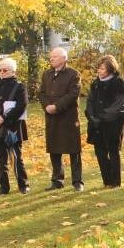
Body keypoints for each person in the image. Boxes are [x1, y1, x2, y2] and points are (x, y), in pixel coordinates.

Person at [39, 47, 84, 192]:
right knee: (54, 149)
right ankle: (57, 180)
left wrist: (57, 106)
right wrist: (47, 106)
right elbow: (41, 93)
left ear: (64, 58)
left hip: (68, 117)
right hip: (52, 118)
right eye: (51, 57)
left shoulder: (73, 74)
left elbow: (73, 94)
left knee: (74, 150)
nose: (51, 59)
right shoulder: (46, 74)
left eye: (55, 57)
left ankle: (77, 181)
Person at [0, 57, 30, 195]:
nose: (2, 73)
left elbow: (21, 107)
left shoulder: (19, 87)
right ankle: (3, 186)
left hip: (12, 128)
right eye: (0, 70)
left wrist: (3, 118)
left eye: (5, 70)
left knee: (15, 156)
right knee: (1, 158)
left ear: (12, 71)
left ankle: (23, 184)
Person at [85, 55, 124, 188]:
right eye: (99, 68)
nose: (99, 71)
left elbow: (119, 103)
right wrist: (92, 117)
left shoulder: (118, 83)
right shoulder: (95, 83)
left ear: (110, 69)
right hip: (96, 124)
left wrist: (104, 116)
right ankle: (107, 181)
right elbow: (90, 102)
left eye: (102, 68)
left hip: (113, 123)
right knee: (100, 153)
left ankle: (115, 182)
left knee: (113, 151)